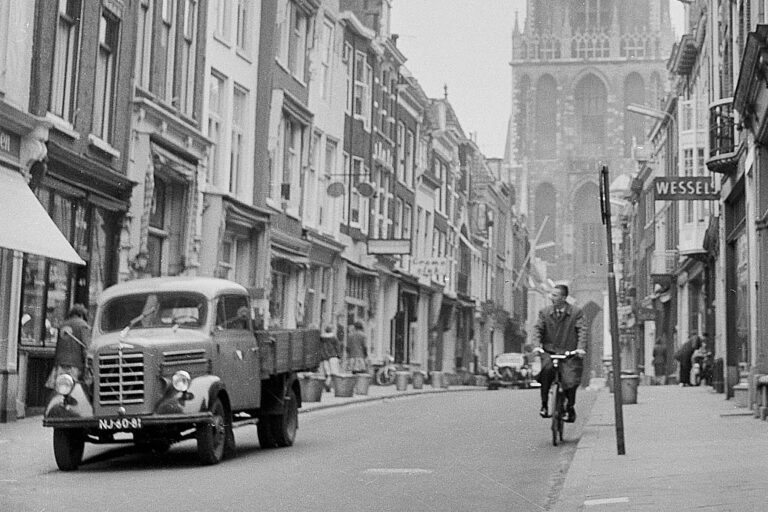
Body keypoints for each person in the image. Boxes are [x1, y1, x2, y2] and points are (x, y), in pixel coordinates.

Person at [532, 284, 587, 423]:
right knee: (546, 373)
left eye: (555, 295)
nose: (552, 297)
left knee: (570, 380)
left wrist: (580, 348)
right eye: (551, 295)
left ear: (563, 297)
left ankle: (570, 407)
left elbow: (582, 331)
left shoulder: (576, 313)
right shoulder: (544, 312)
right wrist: (537, 346)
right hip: (550, 352)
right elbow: (538, 329)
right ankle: (544, 404)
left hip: (569, 353)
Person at [45, 304, 91, 389]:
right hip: (76, 364)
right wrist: (87, 365)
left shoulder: (62, 325)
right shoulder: (83, 326)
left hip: (60, 363)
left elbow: (57, 347)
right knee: (74, 389)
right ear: (82, 314)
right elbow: (86, 347)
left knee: (61, 389)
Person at [319, 325, 342, 390]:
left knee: (327, 372)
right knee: (334, 373)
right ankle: (329, 384)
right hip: (333, 356)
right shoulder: (334, 338)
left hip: (324, 357)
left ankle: (327, 385)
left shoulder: (321, 338)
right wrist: (339, 356)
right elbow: (337, 348)